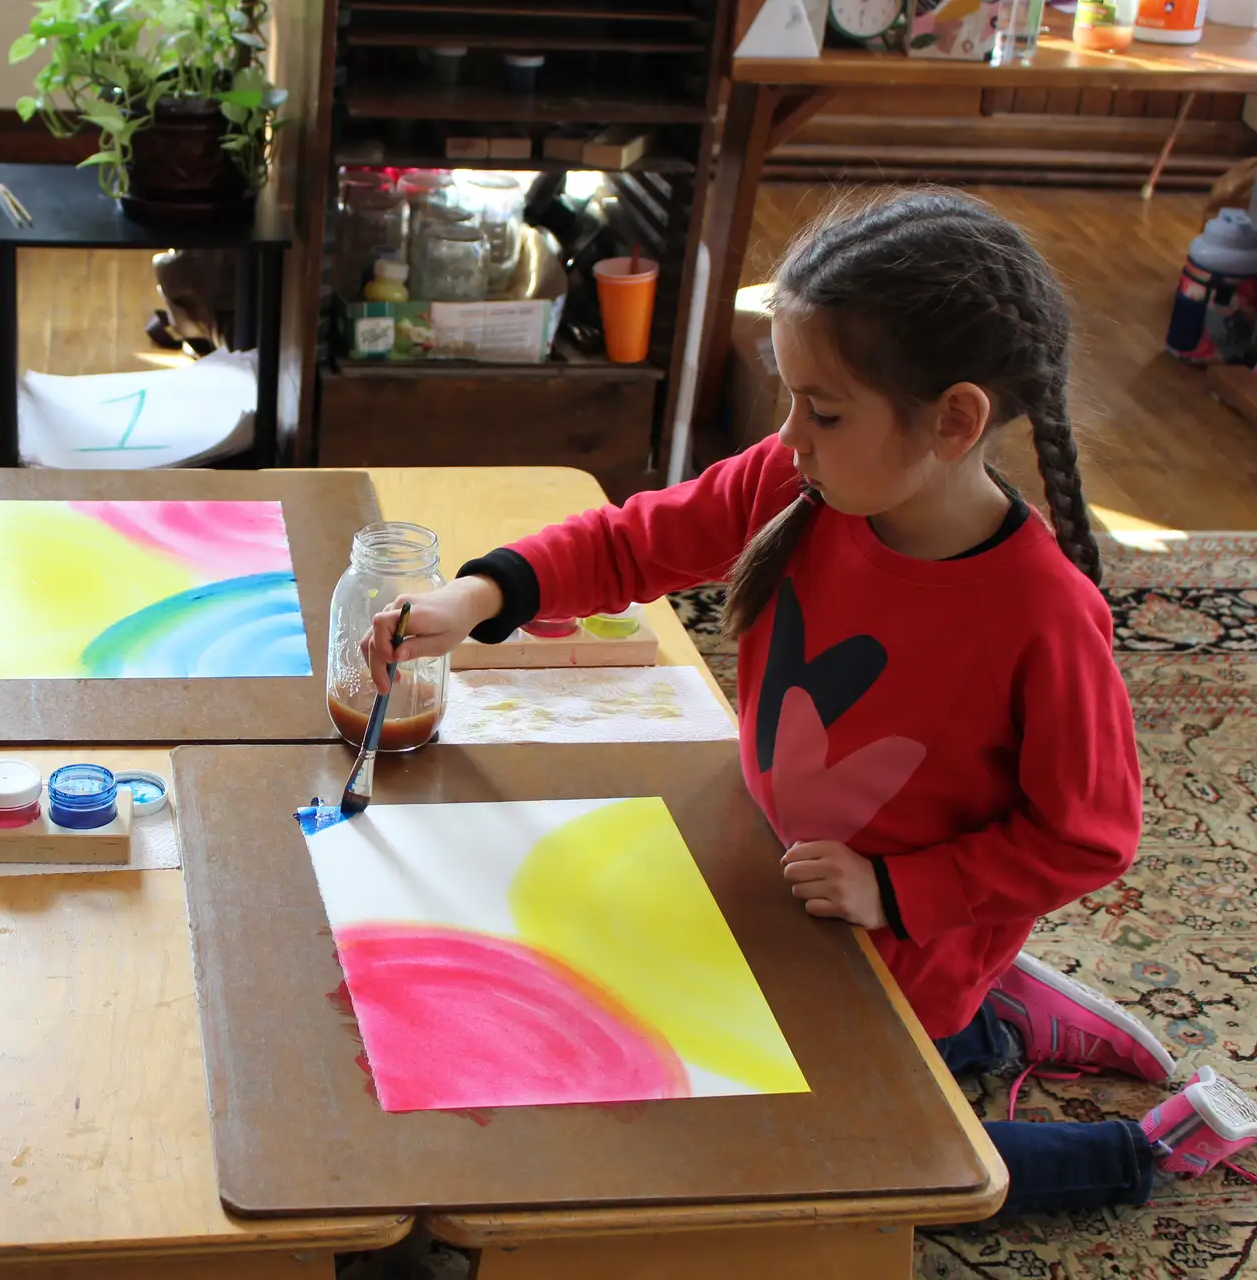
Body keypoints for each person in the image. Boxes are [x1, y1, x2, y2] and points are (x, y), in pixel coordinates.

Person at [363, 190, 1256, 1213]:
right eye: (790, 398)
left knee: (829, 1167)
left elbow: (1089, 836)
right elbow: (631, 541)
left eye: (822, 410)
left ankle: (1138, 1151)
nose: (789, 435)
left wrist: (898, 890)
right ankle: (998, 1023)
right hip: (770, 869)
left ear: (956, 420)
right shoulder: (802, 484)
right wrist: (476, 595)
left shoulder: (1044, 616)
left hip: (895, 933)